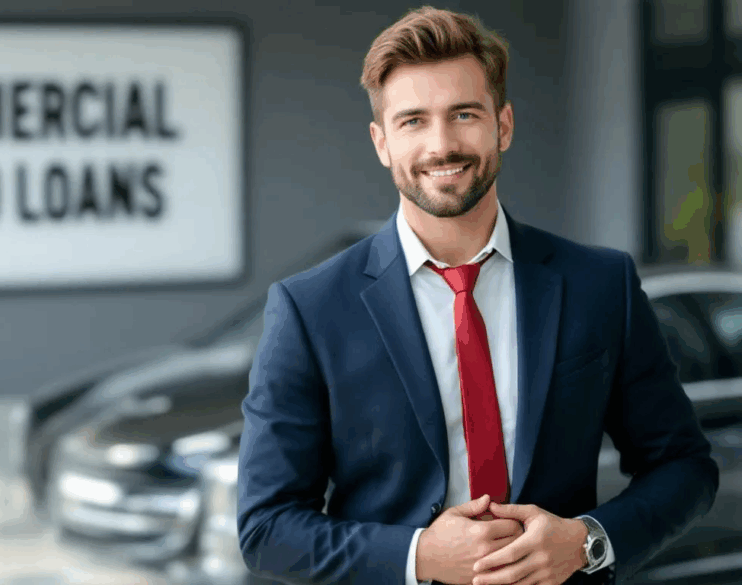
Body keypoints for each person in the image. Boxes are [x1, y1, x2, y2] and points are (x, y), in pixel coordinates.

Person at [235, 6, 719, 585]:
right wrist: (418, 556)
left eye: (463, 114)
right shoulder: (309, 309)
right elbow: (267, 528)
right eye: (413, 120)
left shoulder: (599, 285)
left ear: (503, 125)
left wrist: (588, 540)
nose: (442, 145)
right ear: (381, 141)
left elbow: (685, 468)